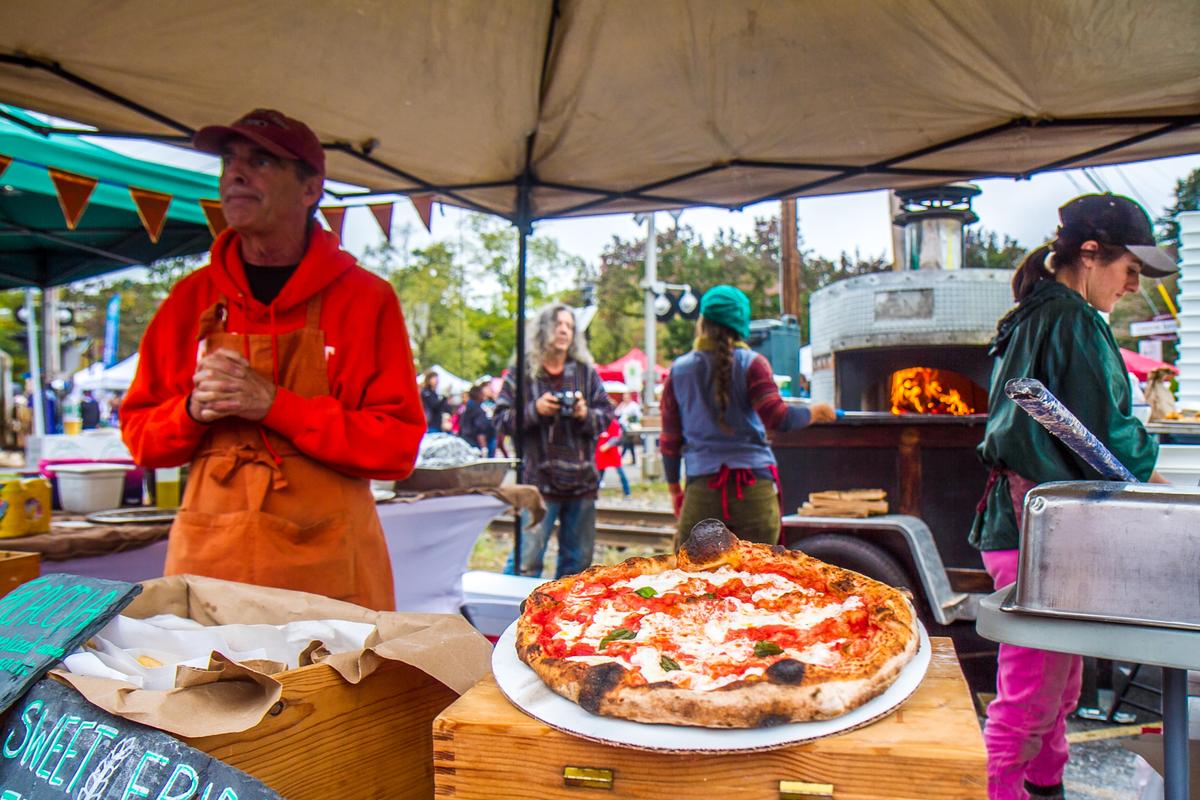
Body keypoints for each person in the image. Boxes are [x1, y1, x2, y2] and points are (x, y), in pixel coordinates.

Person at [121, 108, 425, 611]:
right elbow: (141, 440)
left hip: (329, 571)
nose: (235, 174)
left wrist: (276, 406)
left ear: (310, 189)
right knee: (204, 685)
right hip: (210, 563)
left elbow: (395, 449)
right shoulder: (189, 300)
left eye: (261, 161)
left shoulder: (367, 300)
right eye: (229, 161)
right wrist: (193, 411)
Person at [969, 194, 1175, 800]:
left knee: (1059, 686)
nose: (1134, 284)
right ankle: (996, 790)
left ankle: (1046, 785)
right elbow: (1106, 431)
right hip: (1042, 536)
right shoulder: (1073, 320)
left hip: (1033, 529)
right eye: (1129, 268)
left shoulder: (1037, 313)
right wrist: (1153, 477)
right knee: (1031, 694)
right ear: (1089, 255)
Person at [660, 285, 836, 548]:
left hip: (702, 492)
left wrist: (675, 489)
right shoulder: (753, 364)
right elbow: (779, 418)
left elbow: (670, 441)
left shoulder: (679, 371)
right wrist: (817, 412)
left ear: (702, 322)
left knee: (691, 580)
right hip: (754, 491)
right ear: (741, 325)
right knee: (761, 578)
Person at [495, 303, 613, 578]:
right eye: (558, 324)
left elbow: (606, 415)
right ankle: (515, 613)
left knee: (578, 566)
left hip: (581, 481)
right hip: (538, 482)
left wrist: (585, 413)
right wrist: (534, 410)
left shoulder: (585, 372)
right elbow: (500, 420)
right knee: (525, 560)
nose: (564, 330)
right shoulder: (522, 373)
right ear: (544, 329)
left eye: (570, 326)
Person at [595, 417, 631, 496]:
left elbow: (616, 437)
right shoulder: (597, 421)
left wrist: (608, 445)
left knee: (620, 472)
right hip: (601, 452)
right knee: (599, 473)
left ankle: (627, 492)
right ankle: (594, 493)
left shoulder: (613, 422)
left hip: (611, 451)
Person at [458, 383, 494, 454]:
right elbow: (480, 430)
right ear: (478, 394)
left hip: (465, 440)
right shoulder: (477, 410)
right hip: (475, 443)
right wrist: (484, 447)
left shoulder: (467, 407)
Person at [615, 395, 641, 465]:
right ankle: (634, 459)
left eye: (626, 398)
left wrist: (630, 419)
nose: (625, 399)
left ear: (630, 398)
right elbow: (616, 413)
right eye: (624, 398)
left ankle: (620, 458)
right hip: (623, 426)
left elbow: (638, 416)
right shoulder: (622, 404)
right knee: (629, 443)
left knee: (625, 442)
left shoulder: (634, 405)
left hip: (630, 427)